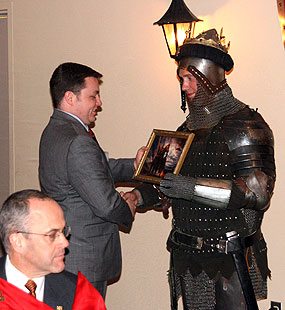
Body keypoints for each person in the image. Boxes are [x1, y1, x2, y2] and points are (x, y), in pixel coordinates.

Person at [125, 29, 276, 309]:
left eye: (190, 78)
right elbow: (161, 182)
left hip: (229, 256)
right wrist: (137, 196)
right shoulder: (184, 131)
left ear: (210, 77)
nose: (184, 86)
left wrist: (190, 188)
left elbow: (257, 192)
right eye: (181, 79)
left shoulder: (245, 125)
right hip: (188, 258)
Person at [38, 62, 142, 299]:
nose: (99, 103)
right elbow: (106, 204)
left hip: (69, 252)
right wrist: (128, 206)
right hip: (84, 258)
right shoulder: (77, 140)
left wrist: (138, 166)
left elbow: (98, 169)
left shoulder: (55, 130)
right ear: (70, 98)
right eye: (93, 96)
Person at [0, 189, 106, 309]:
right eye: (52, 235)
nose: (65, 242)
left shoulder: (79, 295)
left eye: (63, 231)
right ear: (17, 241)